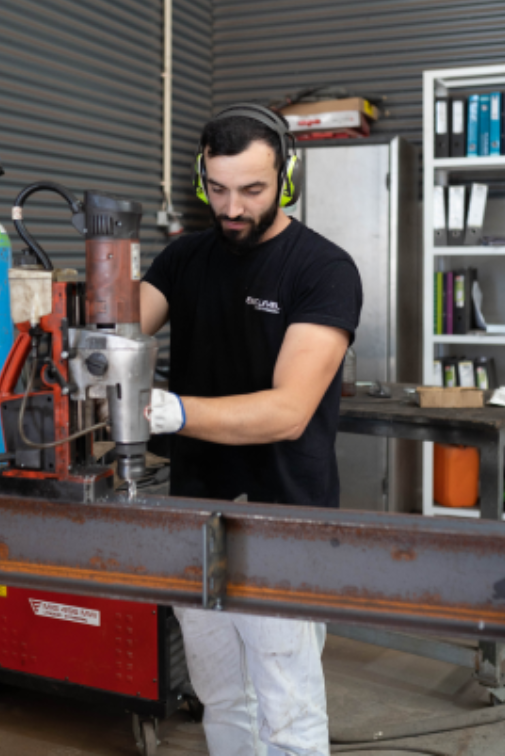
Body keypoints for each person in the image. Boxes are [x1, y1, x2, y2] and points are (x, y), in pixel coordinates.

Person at [141, 103, 363, 756]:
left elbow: (288, 409)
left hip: (282, 519)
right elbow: (119, 328)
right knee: (222, 699)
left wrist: (172, 411)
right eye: (218, 188)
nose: (232, 207)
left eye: (253, 190)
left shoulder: (322, 269)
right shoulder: (184, 259)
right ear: (201, 176)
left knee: (287, 715)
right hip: (196, 514)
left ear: (286, 179)